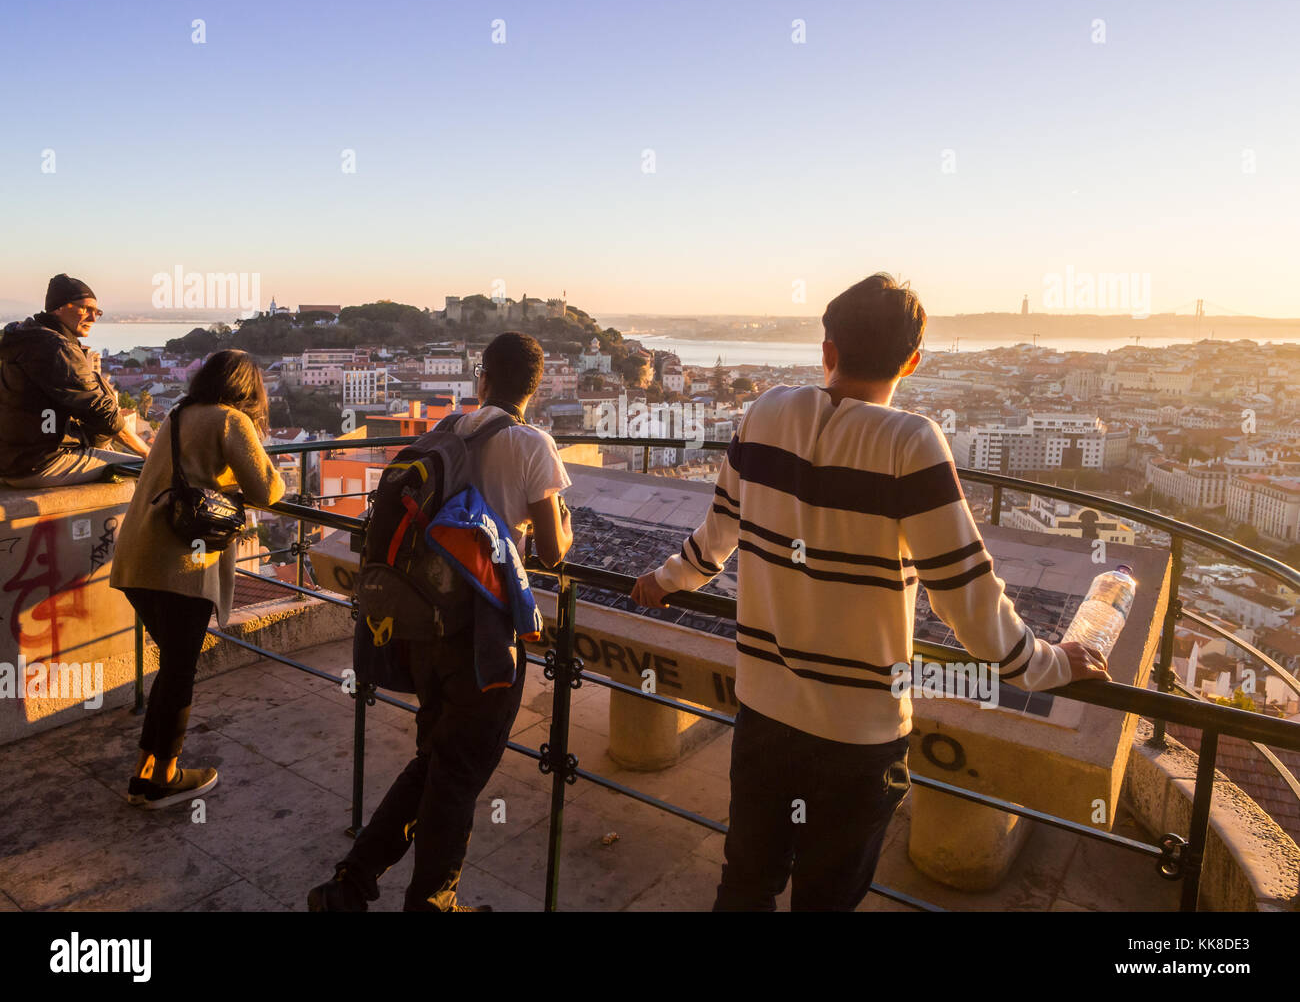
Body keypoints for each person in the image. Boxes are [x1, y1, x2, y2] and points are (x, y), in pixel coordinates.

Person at [631, 273, 1110, 912]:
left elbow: (716, 538)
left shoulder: (764, 412)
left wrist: (662, 583)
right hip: (857, 737)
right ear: (912, 361)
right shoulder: (911, 443)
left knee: (744, 883)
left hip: (764, 712)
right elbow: (966, 596)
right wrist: (1050, 665)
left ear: (827, 349)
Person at [309, 331, 573, 912]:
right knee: (458, 773)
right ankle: (431, 902)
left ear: (482, 379)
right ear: (537, 387)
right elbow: (553, 550)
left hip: (423, 621)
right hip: (486, 634)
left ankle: (350, 884)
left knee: (435, 761)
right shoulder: (532, 443)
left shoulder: (447, 429)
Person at [110, 349, 285, 809]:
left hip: (137, 558)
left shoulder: (176, 415)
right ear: (249, 389)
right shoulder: (231, 420)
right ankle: (164, 777)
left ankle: (145, 773)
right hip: (180, 566)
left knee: (173, 666)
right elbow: (267, 490)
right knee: (180, 669)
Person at [0, 274, 150, 488]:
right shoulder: (56, 348)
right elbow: (103, 412)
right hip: (42, 462)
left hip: (15, 461)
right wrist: (146, 452)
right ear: (59, 307)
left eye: (96, 311)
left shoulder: (29, 339)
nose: (93, 318)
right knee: (150, 470)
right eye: (85, 309)